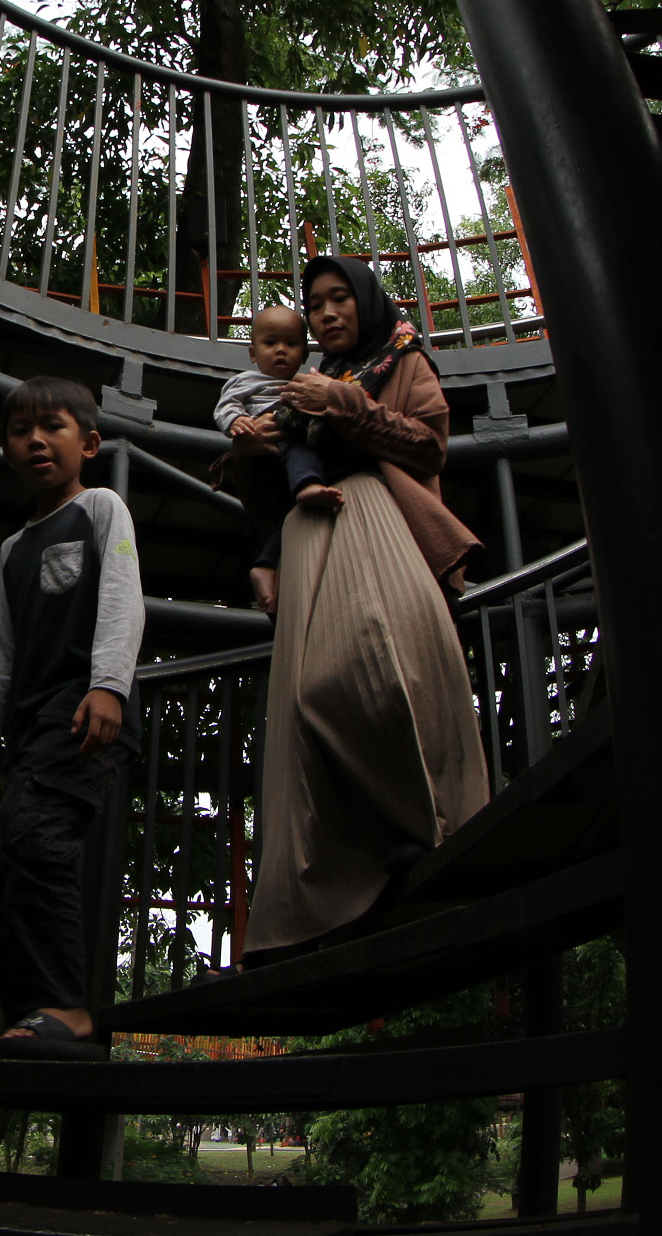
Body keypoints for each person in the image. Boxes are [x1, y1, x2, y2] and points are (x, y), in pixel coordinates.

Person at [243, 255, 488, 968]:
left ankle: (427, 823)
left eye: (338, 298)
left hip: (374, 514)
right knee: (299, 710)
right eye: (314, 304)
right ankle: (325, 893)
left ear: (367, 301)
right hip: (306, 534)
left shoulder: (403, 359)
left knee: (370, 671)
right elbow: (276, 467)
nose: (325, 314)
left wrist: (344, 404)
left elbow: (428, 445)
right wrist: (256, 451)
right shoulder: (298, 384)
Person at [0, 376, 145, 1062]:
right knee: (14, 867)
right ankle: (33, 1020)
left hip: (84, 707)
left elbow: (123, 596)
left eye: (52, 427)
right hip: (32, 728)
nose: (34, 440)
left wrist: (110, 686)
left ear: (88, 443)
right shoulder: (12, 549)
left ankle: (68, 1010)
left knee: (37, 836)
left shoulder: (100, 507)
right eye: (20, 431)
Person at [214, 304, 310, 616]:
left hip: (289, 459)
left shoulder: (306, 385)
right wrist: (236, 422)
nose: (281, 351)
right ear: (253, 353)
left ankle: (267, 567)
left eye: (291, 344)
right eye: (271, 343)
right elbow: (226, 405)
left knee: (292, 518)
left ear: (304, 354)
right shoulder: (246, 381)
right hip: (260, 462)